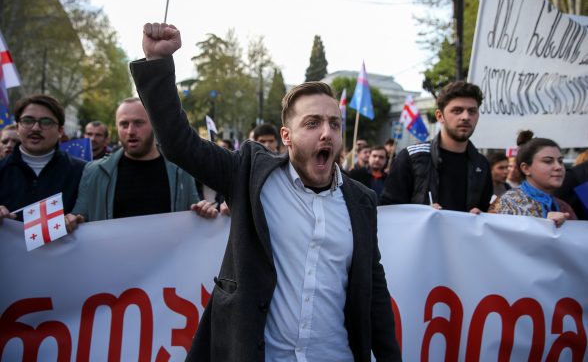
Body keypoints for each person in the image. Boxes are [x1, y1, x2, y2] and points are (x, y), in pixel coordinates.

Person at [129, 22, 402, 362]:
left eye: (334, 123)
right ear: (286, 136)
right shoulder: (249, 175)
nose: (327, 133)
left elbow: (374, 291)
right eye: (312, 123)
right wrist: (157, 63)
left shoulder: (361, 201)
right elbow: (178, 143)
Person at [67, 98, 201, 222]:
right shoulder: (94, 171)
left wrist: (204, 210)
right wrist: (71, 221)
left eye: (138, 123)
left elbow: (195, 210)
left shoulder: (181, 170)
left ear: (154, 125)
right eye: (124, 124)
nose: (131, 131)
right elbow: (80, 215)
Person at [380, 81, 493, 213]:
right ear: (440, 116)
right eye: (457, 111)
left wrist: (480, 214)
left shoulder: (481, 164)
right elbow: (388, 210)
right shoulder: (411, 157)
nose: (466, 117)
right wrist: (420, 213)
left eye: (472, 111)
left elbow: (485, 212)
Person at [0, 95, 86, 225]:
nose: (35, 128)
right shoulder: (2, 169)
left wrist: (79, 217)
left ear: (60, 131)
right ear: (17, 127)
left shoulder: (83, 172)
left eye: (46, 122)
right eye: (28, 121)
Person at [493, 130, 576, 227]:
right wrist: (544, 225)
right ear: (526, 168)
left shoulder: (564, 208)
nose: (558, 167)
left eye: (560, 161)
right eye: (548, 161)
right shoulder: (507, 203)